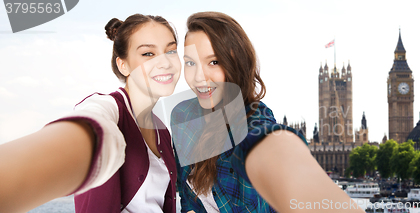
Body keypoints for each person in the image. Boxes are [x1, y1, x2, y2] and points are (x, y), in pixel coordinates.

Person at [173, 11, 364, 213]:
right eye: (190, 63)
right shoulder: (183, 115)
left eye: (214, 62)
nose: (198, 77)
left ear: (237, 64)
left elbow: (272, 147)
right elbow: (187, 199)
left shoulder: (254, 122)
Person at [0, 14, 180, 213]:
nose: (165, 62)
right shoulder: (107, 108)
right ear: (123, 65)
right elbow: (92, 129)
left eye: (170, 51)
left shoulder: (162, 130)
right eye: (148, 53)